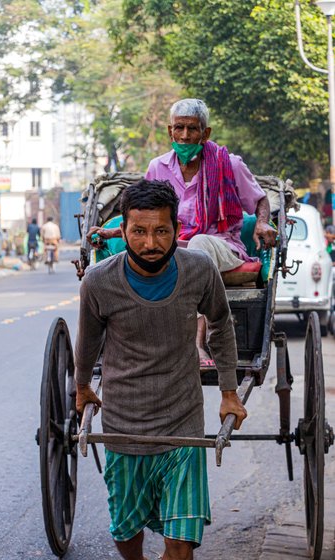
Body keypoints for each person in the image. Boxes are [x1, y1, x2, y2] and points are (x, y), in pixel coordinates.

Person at [75, 179, 247, 560]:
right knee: (126, 533)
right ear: (122, 231)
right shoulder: (99, 281)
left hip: (182, 427)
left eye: (160, 231)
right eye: (138, 231)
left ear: (177, 231)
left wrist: (229, 392)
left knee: (180, 547)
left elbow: (220, 324)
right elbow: (87, 343)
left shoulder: (199, 270)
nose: (150, 243)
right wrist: (82, 386)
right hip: (124, 428)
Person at [86, 98, 277, 367]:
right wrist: (113, 234)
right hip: (172, 245)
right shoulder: (158, 168)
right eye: (179, 128)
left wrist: (261, 222)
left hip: (222, 246)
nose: (185, 136)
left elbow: (260, 200)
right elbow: (145, 218)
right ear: (170, 131)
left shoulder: (229, 164)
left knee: (197, 245)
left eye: (192, 129)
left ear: (205, 133)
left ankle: (197, 344)